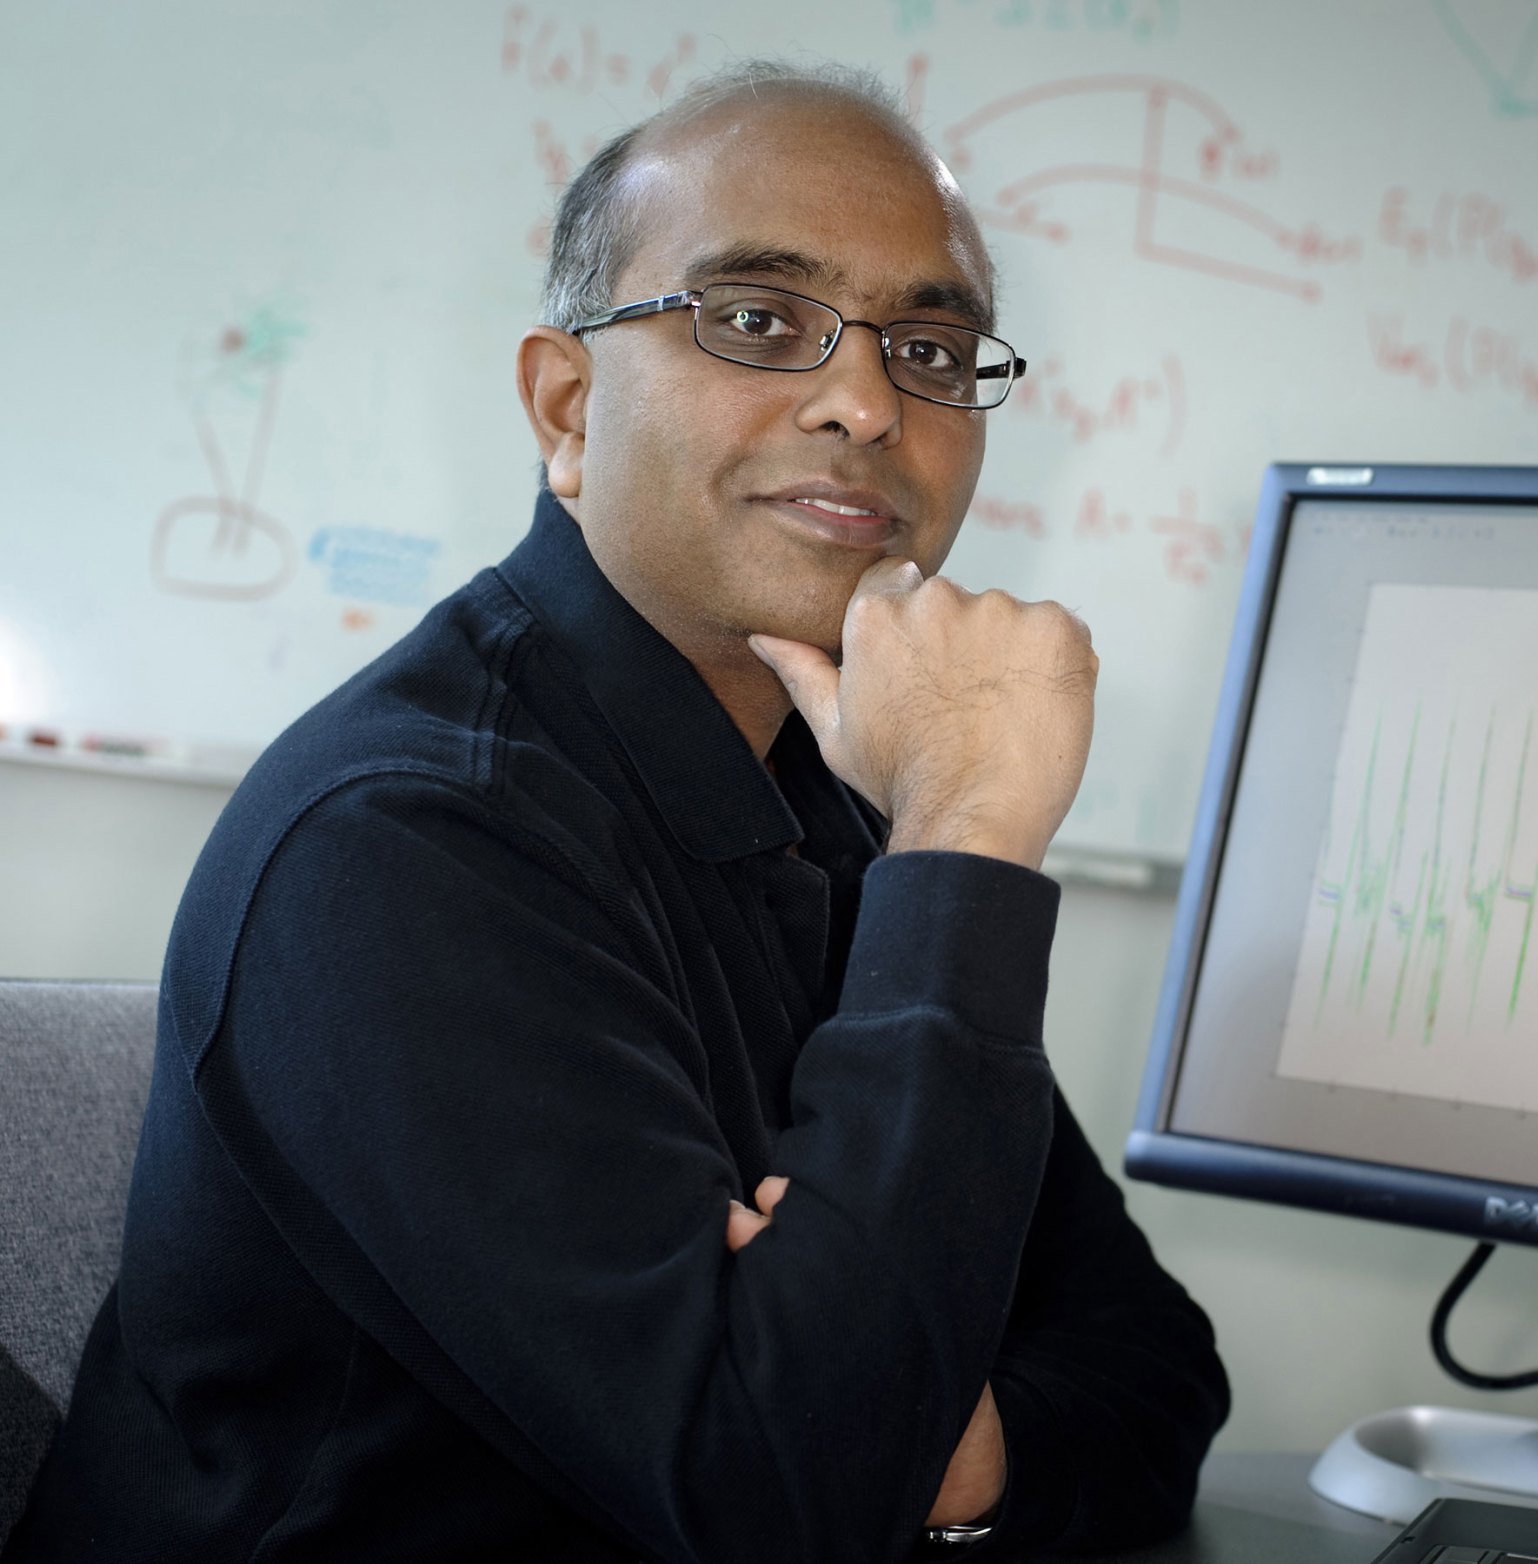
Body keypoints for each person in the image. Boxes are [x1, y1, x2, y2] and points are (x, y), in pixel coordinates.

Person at [7, 60, 1228, 1563]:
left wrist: (940, 1446)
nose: (863, 401)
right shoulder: (406, 843)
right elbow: (788, 1497)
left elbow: (1158, 1370)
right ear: (568, 404)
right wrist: (971, 838)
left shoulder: (833, 794)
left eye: (930, 345)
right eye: (759, 321)